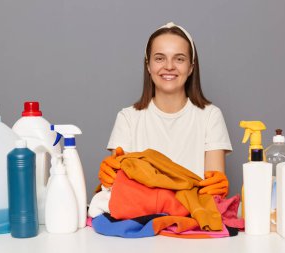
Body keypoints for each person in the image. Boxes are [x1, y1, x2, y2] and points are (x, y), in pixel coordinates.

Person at [98, 22, 233, 197]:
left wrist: (216, 186)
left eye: (179, 59)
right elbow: (123, 190)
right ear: (148, 65)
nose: (169, 66)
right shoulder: (128, 119)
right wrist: (111, 178)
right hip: (142, 216)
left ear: (191, 66)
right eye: (160, 58)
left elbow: (211, 192)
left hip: (194, 218)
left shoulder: (210, 116)